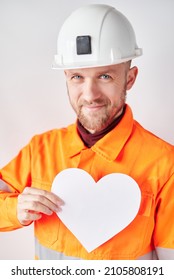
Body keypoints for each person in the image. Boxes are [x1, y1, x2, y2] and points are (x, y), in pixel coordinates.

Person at [0, 4, 174, 260]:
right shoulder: (39, 150)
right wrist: (16, 209)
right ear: (66, 78)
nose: (90, 95)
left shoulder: (165, 163)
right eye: (78, 77)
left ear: (130, 79)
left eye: (104, 76)